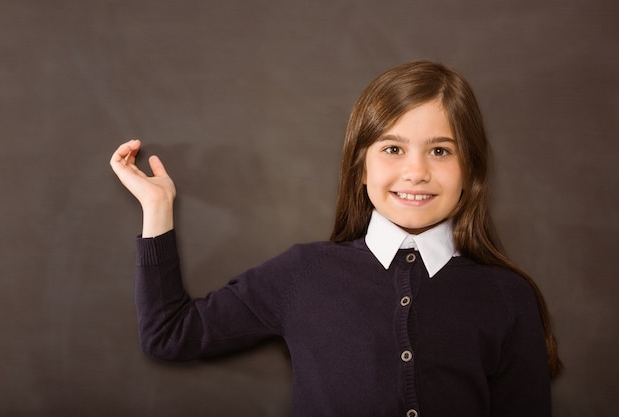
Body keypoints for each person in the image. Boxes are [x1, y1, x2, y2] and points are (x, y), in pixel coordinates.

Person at [110, 60, 562, 417]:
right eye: (392, 148)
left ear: (471, 170)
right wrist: (157, 208)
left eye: (441, 150)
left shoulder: (506, 295)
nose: (417, 172)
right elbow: (169, 334)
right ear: (360, 166)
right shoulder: (303, 274)